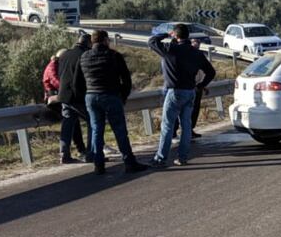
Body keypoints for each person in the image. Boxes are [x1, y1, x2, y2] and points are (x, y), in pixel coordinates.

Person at [76, 30, 148, 175]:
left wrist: (85, 96)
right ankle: (129, 162)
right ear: (105, 40)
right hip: (111, 95)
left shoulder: (83, 57)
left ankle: (99, 164)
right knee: (120, 130)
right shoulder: (114, 56)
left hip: (91, 96)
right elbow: (126, 80)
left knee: (96, 130)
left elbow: (77, 82)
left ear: (92, 42)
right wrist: (123, 96)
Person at [149, 24, 215, 167]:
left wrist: (166, 34)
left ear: (176, 35)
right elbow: (211, 72)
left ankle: (160, 158)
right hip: (190, 91)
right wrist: (200, 85)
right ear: (188, 36)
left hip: (174, 91)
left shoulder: (172, 50)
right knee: (186, 126)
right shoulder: (196, 53)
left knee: (167, 125)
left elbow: (152, 42)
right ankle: (182, 157)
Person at [57, 34, 92, 164]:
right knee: (93, 122)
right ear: (88, 43)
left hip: (64, 96)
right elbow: (84, 77)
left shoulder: (65, 54)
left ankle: (64, 155)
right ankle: (91, 153)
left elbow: (60, 74)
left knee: (67, 125)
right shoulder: (85, 55)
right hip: (78, 96)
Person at [173, 37, 214, 139]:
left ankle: (189, 130)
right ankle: (175, 131)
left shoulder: (199, 56)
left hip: (196, 87)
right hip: (186, 87)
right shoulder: (186, 56)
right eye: (194, 44)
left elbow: (206, 73)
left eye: (198, 45)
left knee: (194, 111)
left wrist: (202, 86)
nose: (196, 46)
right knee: (179, 111)